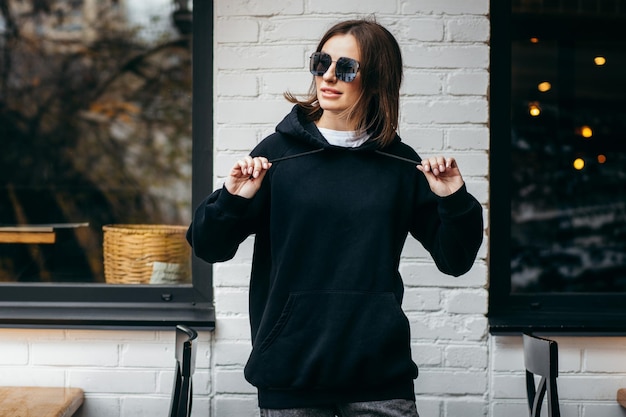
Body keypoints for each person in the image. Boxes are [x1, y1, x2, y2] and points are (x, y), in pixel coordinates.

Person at [187, 18, 483, 417]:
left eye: (346, 68)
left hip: (379, 376)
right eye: (321, 62)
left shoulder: (400, 165)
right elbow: (208, 247)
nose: (328, 76)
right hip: (291, 373)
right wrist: (232, 200)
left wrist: (454, 199)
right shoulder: (278, 154)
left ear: (376, 79)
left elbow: (455, 261)